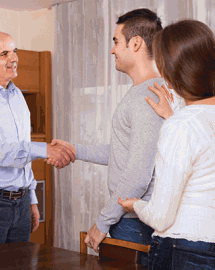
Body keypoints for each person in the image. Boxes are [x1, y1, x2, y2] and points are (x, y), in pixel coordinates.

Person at [48, 8, 179, 256]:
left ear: (136, 43)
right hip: (138, 220)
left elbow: (139, 173)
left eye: (116, 41)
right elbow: (127, 152)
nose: (112, 50)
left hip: (136, 223)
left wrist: (102, 223)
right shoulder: (152, 91)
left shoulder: (147, 96)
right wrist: (76, 150)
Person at [0, 30, 75, 247]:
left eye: (14, 51)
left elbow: (21, 152)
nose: (13, 58)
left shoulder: (17, 96)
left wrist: (31, 199)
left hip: (20, 203)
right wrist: (43, 150)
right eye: (4, 54)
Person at [119, 19, 215, 270]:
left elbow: (161, 218)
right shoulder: (184, 123)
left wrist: (135, 205)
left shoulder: (181, 126)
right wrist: (173, 117)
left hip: (186, 248)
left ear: (169, 70)